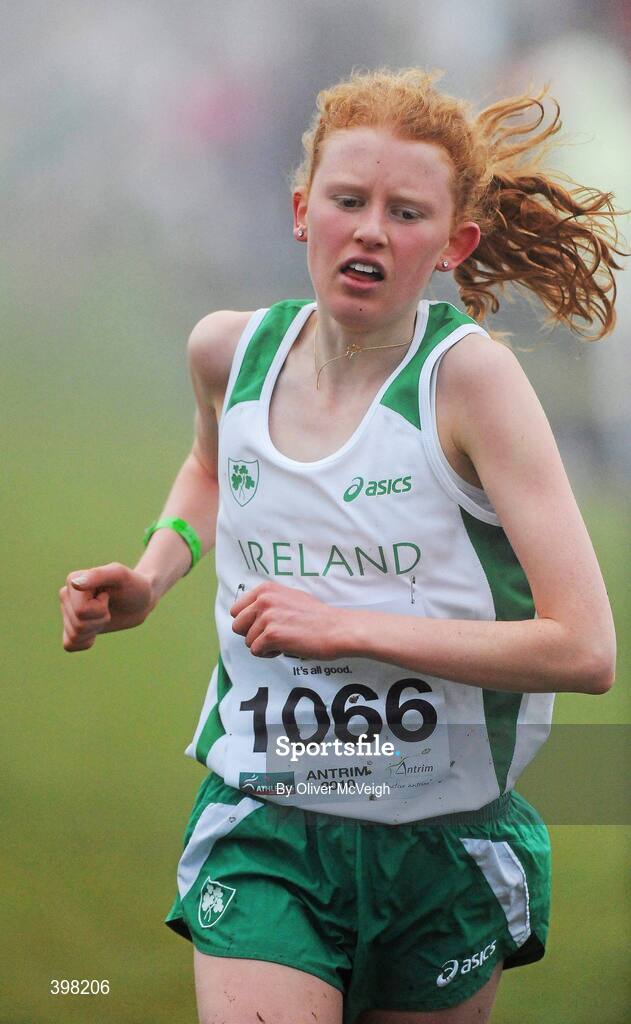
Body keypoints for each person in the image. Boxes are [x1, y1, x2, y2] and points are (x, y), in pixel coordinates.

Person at [59, 69, 625, 1024]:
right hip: (270, 823)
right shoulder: (227, 352)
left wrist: (344, 629)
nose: (369, 230)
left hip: (441, 848)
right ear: (300, 211)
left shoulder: (471, 386)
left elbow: (585, 648)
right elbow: (209, 467)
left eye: (405, 213)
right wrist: (154, 574)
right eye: (348, 200)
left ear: (453, 246)